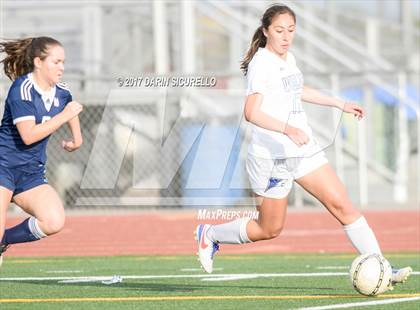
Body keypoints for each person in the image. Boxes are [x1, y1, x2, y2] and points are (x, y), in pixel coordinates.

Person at [195, 4, 411, 287]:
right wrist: (288, 129)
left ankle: (382, 267)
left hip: (302, 149)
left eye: (291, 31)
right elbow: (251, 112)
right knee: (269, 228)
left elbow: (297, 90)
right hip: (272, 157)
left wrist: (339, 103)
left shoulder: (288, 58)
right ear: (265, 31)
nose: (286, 37)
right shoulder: (262, 64)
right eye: (279, 31)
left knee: (342, 205)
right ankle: (210, 234)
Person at [0, 37, 83, 266]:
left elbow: (70, 107)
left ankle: (3, 241)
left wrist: (77, 139)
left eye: (63, 62)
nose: (62, 68)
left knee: (54, 221)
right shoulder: (23, 89)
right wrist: (63, 117)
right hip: (3, 167)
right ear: (38, 62)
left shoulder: (62, 91)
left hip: (30, 173)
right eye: (56, 62)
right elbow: (29, 136)